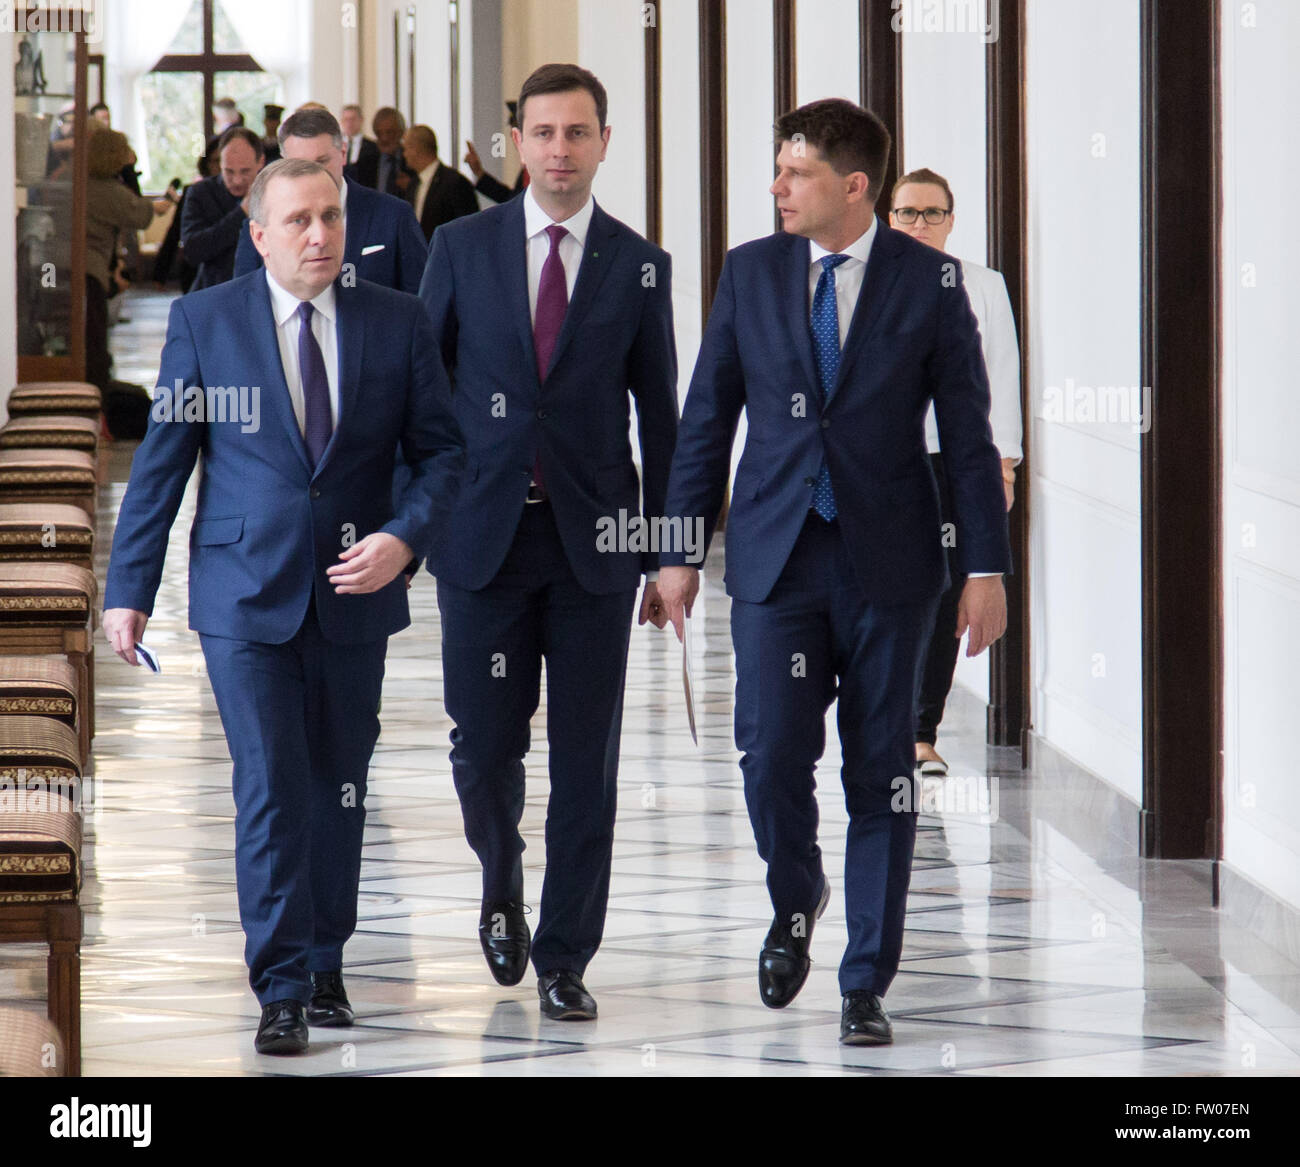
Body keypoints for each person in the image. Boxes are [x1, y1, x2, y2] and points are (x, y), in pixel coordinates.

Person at [657, 98, 1011, 1046]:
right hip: (776, 556)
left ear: (853, 186)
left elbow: (971, 442)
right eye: (777, 170)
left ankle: (865, 979)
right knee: (772, 755)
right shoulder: (751, 271)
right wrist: (678, 548)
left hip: (893, 563)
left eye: (795, 172)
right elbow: (706, 418)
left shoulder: (930, 283)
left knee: (881, 770)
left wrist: (985, 565)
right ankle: (796, 892)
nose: (776, 188)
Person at [102, 158, 465, 1056]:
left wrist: (404, 537)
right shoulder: (204, 321)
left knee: (339, 785)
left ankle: (327, 953)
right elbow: (162, 464)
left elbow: (445, 455)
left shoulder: (397, 320)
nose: (318, 235)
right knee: (270, 783)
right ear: (257, 234)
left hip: (355, 587)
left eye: (331, 219)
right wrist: (128, 591)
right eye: (298, 220)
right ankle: (282, 981)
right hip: (242, 592)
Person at [418, 63, 678, 1021]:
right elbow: (423, 394)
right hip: (481, 540)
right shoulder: (460, 245)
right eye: (543, 133)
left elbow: (666, 417)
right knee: (483, 747)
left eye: (578, 132)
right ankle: (501, 878)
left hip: (595, 551)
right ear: (515, 144)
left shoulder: (638, 264)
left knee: (586, 759)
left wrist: (669, 552)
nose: (560, 149)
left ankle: (567, 954)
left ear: (605, 142)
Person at [888, 167, 1022, 777]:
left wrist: (1006, 464)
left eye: (932, 213)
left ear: (950, 219)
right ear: (889, 218)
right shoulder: (870, 279)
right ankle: (879, 717)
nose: (919, 224)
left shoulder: (982, 285)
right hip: (884, 461)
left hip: (956, 462)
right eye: (908, 212)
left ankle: (920, 729)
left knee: (945, 592)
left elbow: (1002, 374)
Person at [234, 107, 427, 294]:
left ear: (343, 153)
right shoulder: (263, 223)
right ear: (283, 163)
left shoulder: (393, 215)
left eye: (322, 162)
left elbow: (421, 301)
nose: (312, 175)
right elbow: (247, 299)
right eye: (299, 166)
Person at [84, 128, 168, 392]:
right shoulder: (106, 190)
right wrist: (130, 172)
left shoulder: (73, 177)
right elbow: (141, 215)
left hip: (49, 268)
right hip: (89, 273)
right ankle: (97, 400)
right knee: (93, 340)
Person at [180, 126, 264, 291]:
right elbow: (192, 251)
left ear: (260, 161)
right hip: (214, 290)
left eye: (245, 171)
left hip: (261, 290)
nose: (237, 180)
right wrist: (241, 214)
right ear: (220, 163)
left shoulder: (275, 191)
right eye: (229, 172)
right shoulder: (200, 193)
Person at [401, 124, 479, 241]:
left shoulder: (455, 183)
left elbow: (468, 228)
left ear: (416, 149)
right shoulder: (413, 184)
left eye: (406, 148)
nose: (404, 154)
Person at [463, 101, 528, 204]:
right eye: (512, 133)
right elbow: (512, 200)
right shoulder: (527, 167)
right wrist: (479, 172)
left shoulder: (539, 165)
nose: (513, 137)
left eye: (516, 131)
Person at [352, 107, 416, 197]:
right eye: (379, 133)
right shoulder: (366, 162)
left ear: (401, 132)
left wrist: (411, 187)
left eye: (390, 132)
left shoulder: (412, 161)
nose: (384, 138)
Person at [340, 103, 378, 178]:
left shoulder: (372, 147)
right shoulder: (334, 145)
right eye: (346, 120)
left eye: (353, 119)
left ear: (361, 120)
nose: (349, 124)